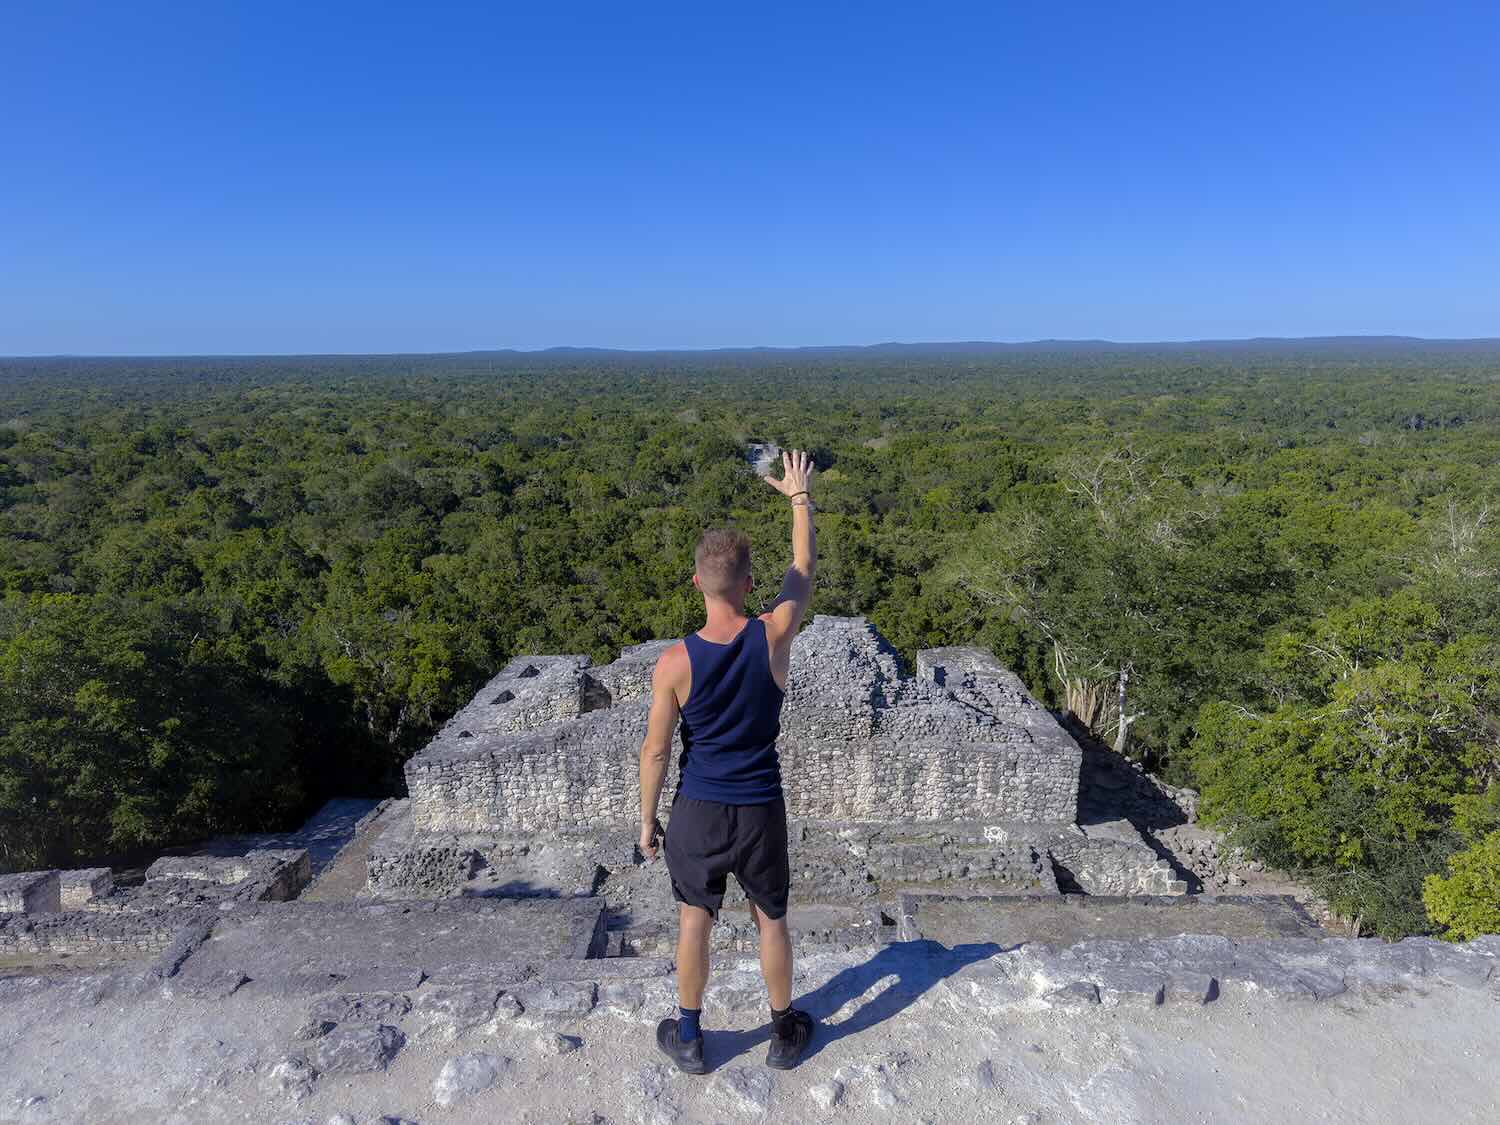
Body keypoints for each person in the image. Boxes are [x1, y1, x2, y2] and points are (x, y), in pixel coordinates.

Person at [637, 447, 817, 1075]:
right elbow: (801, 569)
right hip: (760, 807)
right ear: (746, 583)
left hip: (699, 811)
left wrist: (646, 822)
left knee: (694, 921)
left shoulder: (674, 663)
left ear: (696, 583)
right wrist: (799, 497)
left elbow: (657, 749)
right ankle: (782, 1029)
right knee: (771, 921)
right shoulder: (771, 635)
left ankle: (689, 1036)